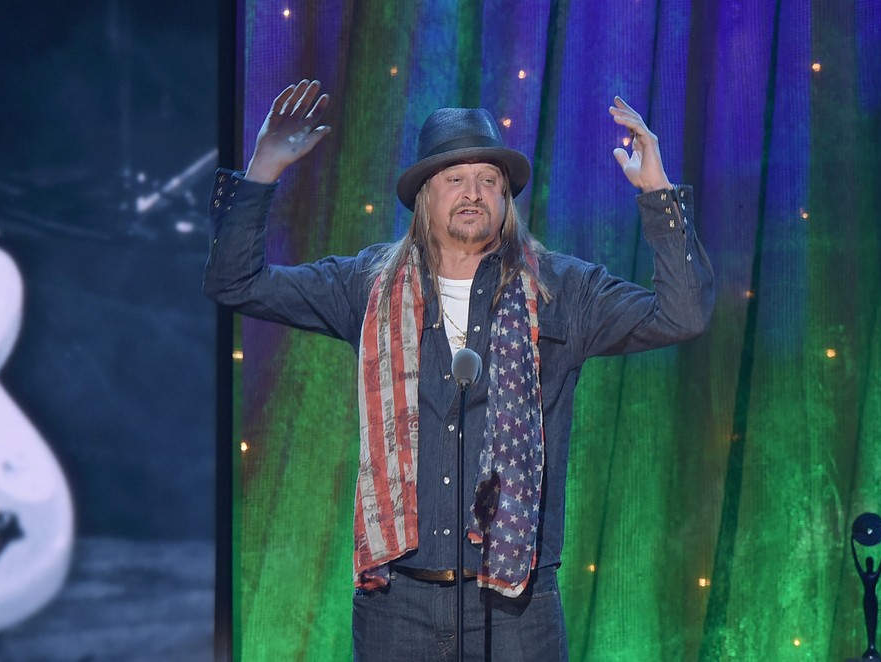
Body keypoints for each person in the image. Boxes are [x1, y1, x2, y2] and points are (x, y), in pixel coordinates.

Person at [204, 79, 715, 661]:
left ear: (505, 198)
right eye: (454, 179)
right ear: (425, 194)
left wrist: (658, 192)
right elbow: (234, 282)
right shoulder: (366, 286)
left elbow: (684, 314)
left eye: (489, 181)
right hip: (398, 608)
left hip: (517, 607)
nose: (472, 193)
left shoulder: (560, 291)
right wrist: (264, 169)